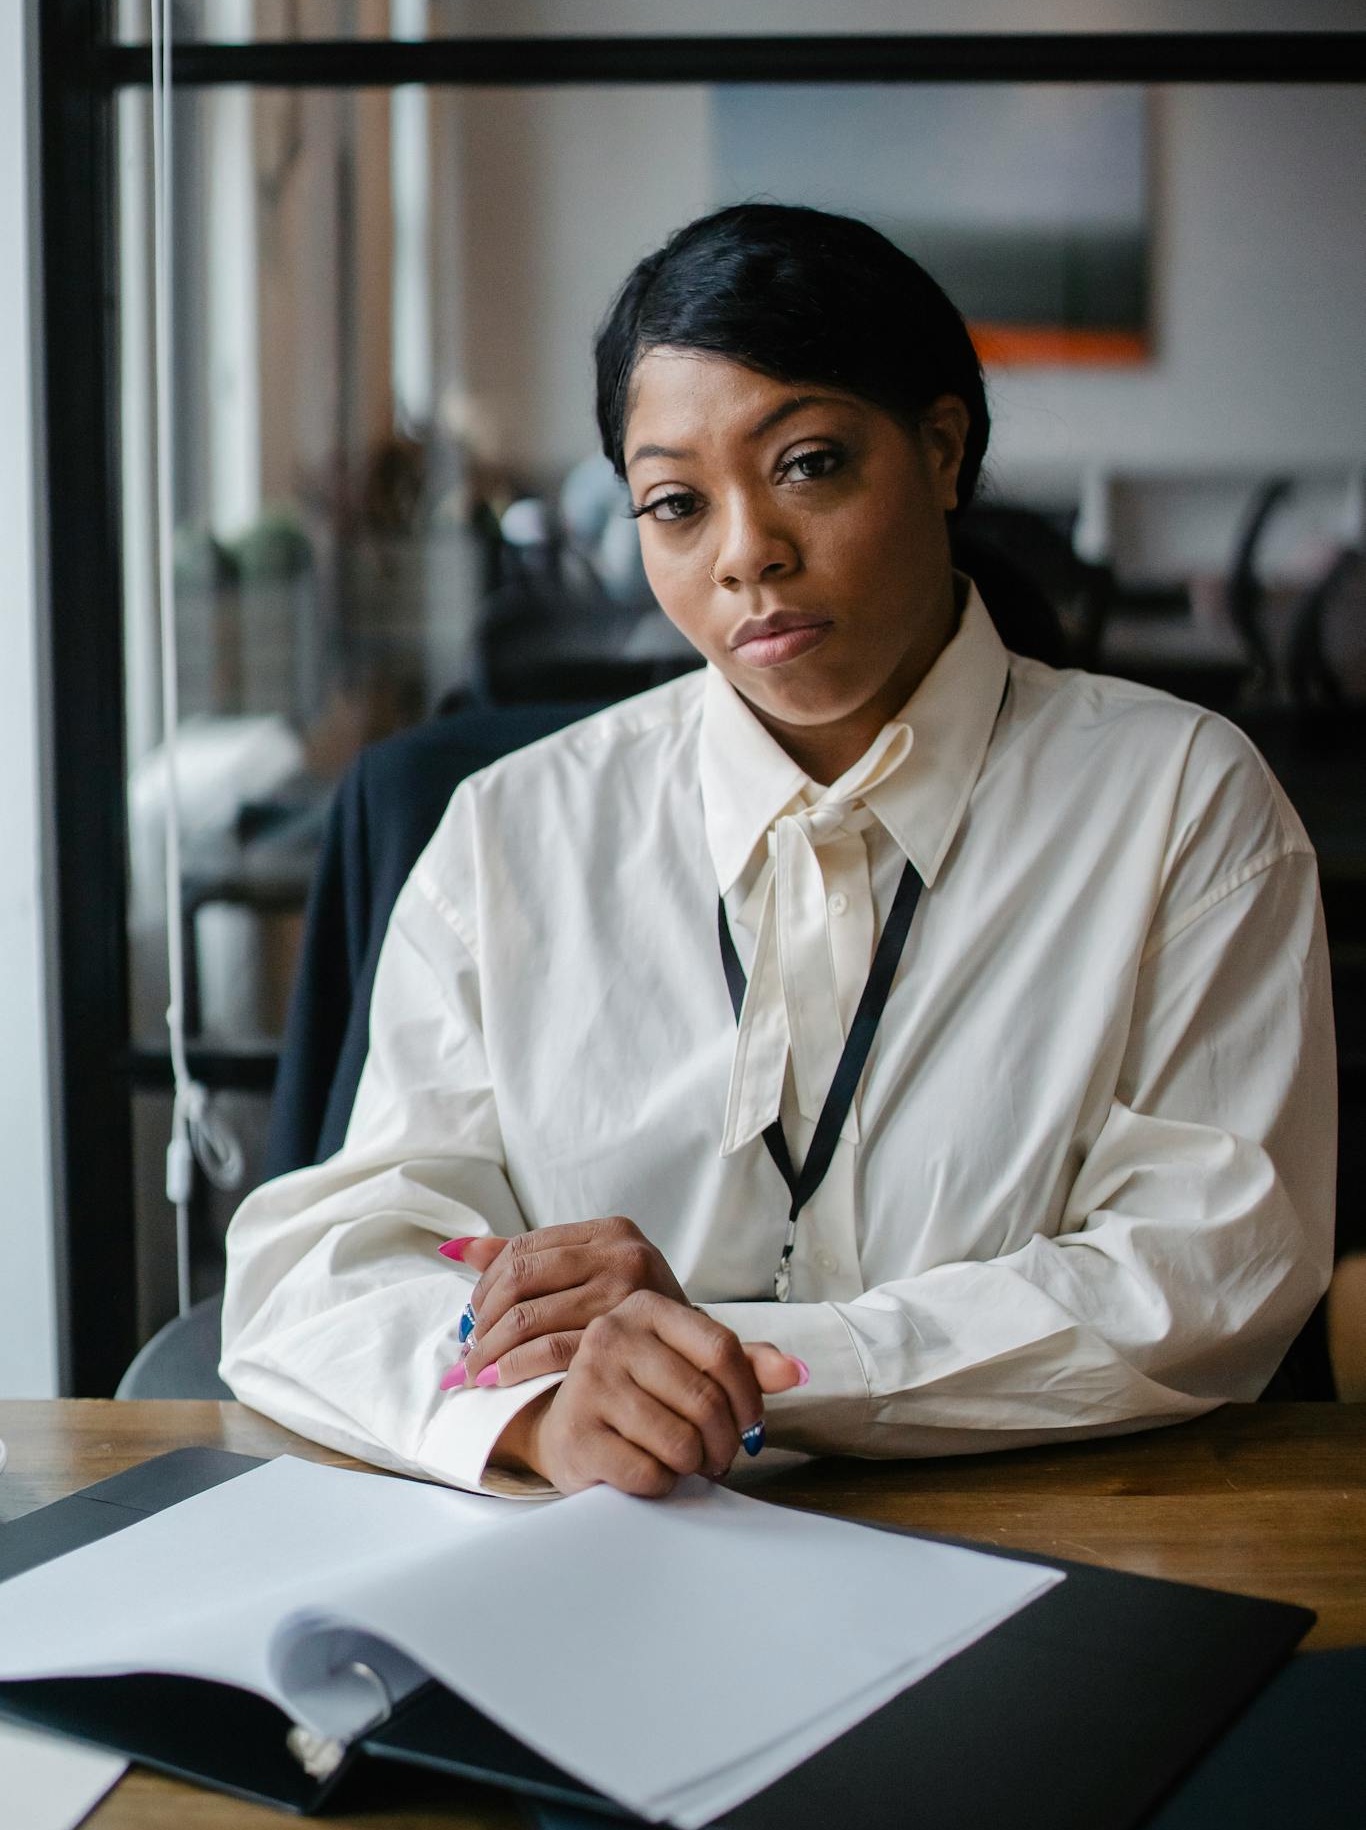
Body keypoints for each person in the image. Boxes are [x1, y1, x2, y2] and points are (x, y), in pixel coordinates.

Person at [221, 204, 1335, 1499]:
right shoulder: (513, 830)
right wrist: (532, 1418)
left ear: (938, 450)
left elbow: (1200, 1272)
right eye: (676, 503)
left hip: (1058, 1535)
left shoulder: (1177, 800)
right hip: (608, 1546)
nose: (746, 552)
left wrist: (738, 1361)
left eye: (805, 464)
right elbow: (326, 1268)